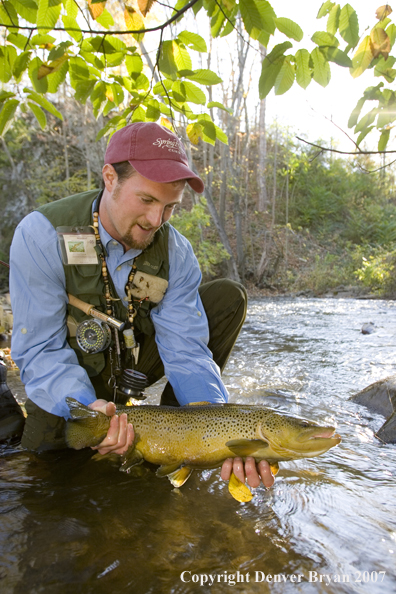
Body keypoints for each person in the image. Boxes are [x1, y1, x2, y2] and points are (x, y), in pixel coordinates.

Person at [10, 122, 274, 490]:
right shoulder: (41, 234)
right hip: (66, 384)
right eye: (147, 200)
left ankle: (174, 436)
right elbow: (38, 349)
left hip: (130, 370)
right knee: (47, 482)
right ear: (109, 179)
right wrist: (91, 412)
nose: (156, 220)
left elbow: (187, 351)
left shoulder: (177, 251)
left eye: (170, 207)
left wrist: (217, 428)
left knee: (228, 296)